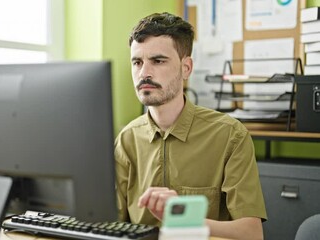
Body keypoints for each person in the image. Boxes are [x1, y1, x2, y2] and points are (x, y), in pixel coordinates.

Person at [114, 12, 267, 240]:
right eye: (137, 62)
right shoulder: (126, 139)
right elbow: (107, 224)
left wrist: (184, 216)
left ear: (186, 68)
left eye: (158, 61)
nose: (144, 73)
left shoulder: (230, 135)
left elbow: (251, 234)